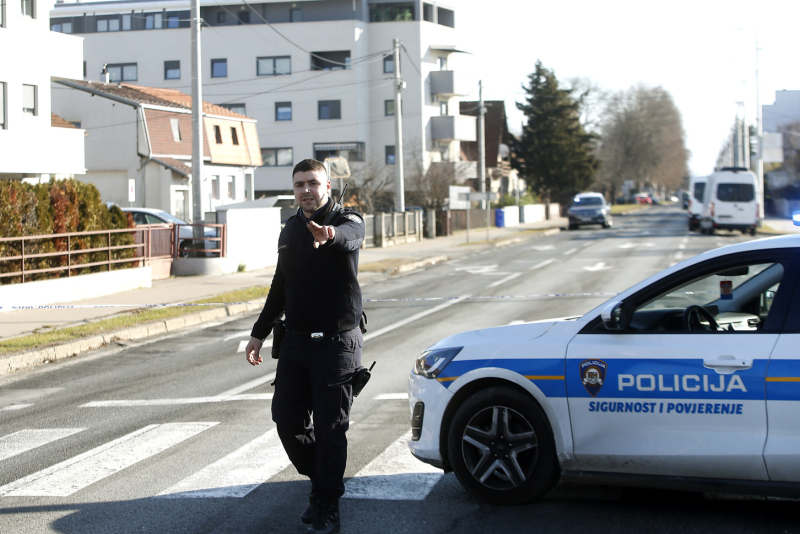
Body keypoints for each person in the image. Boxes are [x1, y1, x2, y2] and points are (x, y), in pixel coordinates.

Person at [245, 158, 364, 534]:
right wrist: (259, 333)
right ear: (293, 189)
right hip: (295, 343)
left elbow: (352, 235)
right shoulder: (291, 229)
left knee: (331, 428)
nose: (306, 190)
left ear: (327, 186)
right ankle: (324, 481)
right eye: (299, 184)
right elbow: (280, 285)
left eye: (313, 183)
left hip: (337, 344)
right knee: (286, 420)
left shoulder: (347, 219)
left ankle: (327, 504)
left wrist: (330, 235)